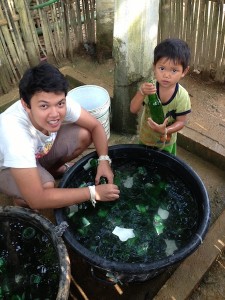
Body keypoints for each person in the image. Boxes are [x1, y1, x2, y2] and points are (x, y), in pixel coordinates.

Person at [0, 62, 120, 209]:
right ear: (26, 105)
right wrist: (93, 192)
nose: (55, 114)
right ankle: (21, 198)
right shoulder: (15, 135)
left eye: (60, 104)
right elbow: (38, 199)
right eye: (44, 106)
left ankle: (51, 170)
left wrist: (104, 160)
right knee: (45, 189)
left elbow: (95, 126)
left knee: (84, 133)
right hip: (6, 167)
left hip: (36, 153)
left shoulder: (58, 101)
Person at [130, 38, 191, 155]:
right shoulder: (150, 88)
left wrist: (166, 130)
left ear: (184, 71)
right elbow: (133, 109)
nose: (166, 75)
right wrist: (141, 93)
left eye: (174, 70)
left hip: (166, 142)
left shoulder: (182, 97)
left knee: (164, 166)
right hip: (146, 139)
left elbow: (181, 122)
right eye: (162, 68)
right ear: (154, 67)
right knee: (144, 164)